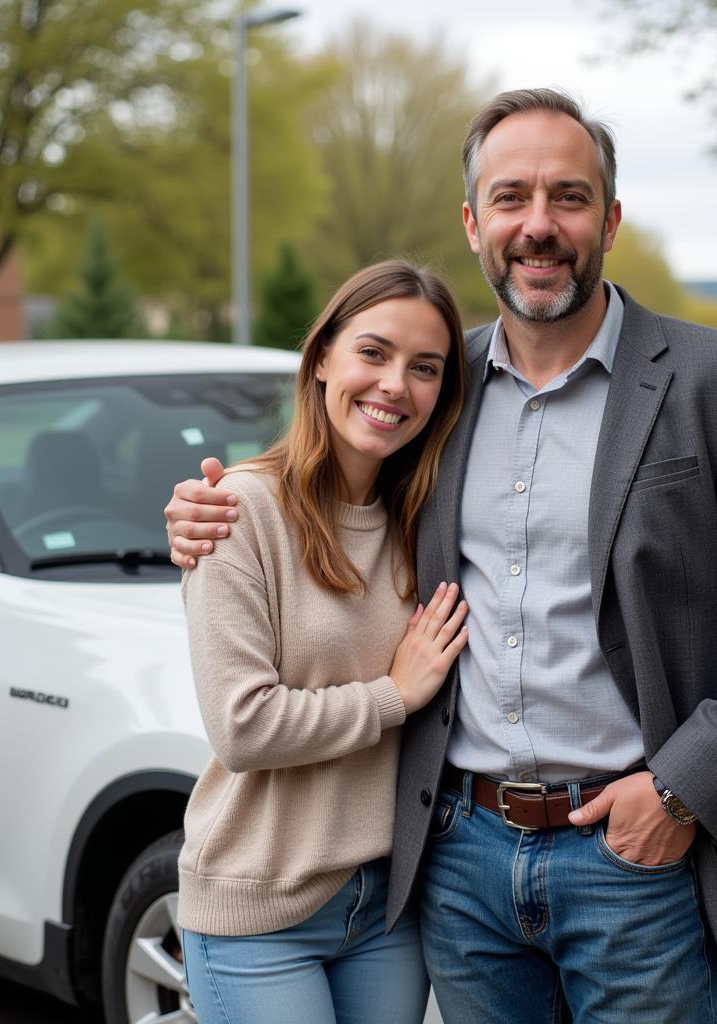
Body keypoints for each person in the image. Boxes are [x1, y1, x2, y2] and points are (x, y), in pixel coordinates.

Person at [167, 89, 717, 1024]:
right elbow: (328, 489)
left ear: (609, 219)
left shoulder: (716, 381)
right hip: (457, 860)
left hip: (631, 861)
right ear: (473, 222)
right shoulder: (438, 388)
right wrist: (202, 510)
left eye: (569, 197)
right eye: (512, 197)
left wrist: (681, 790)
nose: (540, 225)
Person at [177, 259, 468, 1024]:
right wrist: (393, 696)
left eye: (425, 368)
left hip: (386, 910)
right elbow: (242, 727)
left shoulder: (428, 522)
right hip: (258, 909)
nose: (395, 385)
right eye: (373, 353)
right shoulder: (240, 511)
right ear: (321, 361)